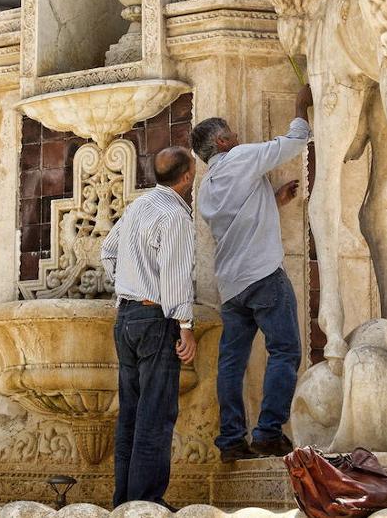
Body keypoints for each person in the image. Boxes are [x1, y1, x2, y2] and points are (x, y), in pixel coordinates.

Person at [191, 85, 312, 461]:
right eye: (234, 133)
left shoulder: (206, 186)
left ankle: (230, 441)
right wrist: (299, 102)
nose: (239, 137)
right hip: (263, 275)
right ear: (224, 140)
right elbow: (294, 142)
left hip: (232, 287)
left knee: (231, 363)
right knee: (285, 350)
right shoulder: (241, 157)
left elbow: (237, 219)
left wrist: (273, 200)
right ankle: (268, 432)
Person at [100, 146, 198, 508]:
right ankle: (146, 502)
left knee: (131, 414)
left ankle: (124, 502)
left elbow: (108, 251)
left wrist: (129, 283)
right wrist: (185, 325)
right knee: (155, 414)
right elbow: (175, 277)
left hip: (125, 317)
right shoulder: (175, 216)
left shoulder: (138, 206)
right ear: (186, 178)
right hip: (156, 318)